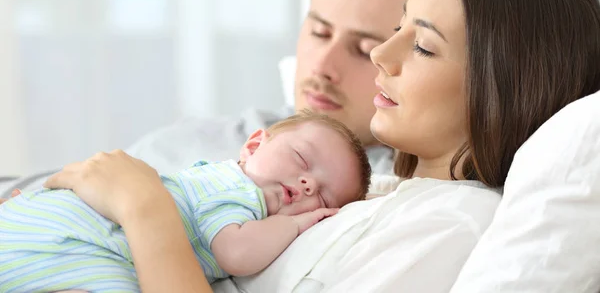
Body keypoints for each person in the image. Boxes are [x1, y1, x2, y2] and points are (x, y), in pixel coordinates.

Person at [36, 0, 600, 292]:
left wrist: (143, 206)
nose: (383, 55)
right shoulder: (379, 194)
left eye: (422, 46)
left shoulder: (452, 225)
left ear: (500, 88)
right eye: (398, 27)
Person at [0, 0, 443, 198]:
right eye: (319, 32)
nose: (322, 67)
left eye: (363, 48)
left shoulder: (386, 196)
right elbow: (53, 184)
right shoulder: (223, 133)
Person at [0, 111, 370, 292]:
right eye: (302, 161)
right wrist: (296, 223)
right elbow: (236, 254)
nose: (307, 184)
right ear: (254, 145)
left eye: (322, 196)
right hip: (87, 232)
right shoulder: (238, 191)